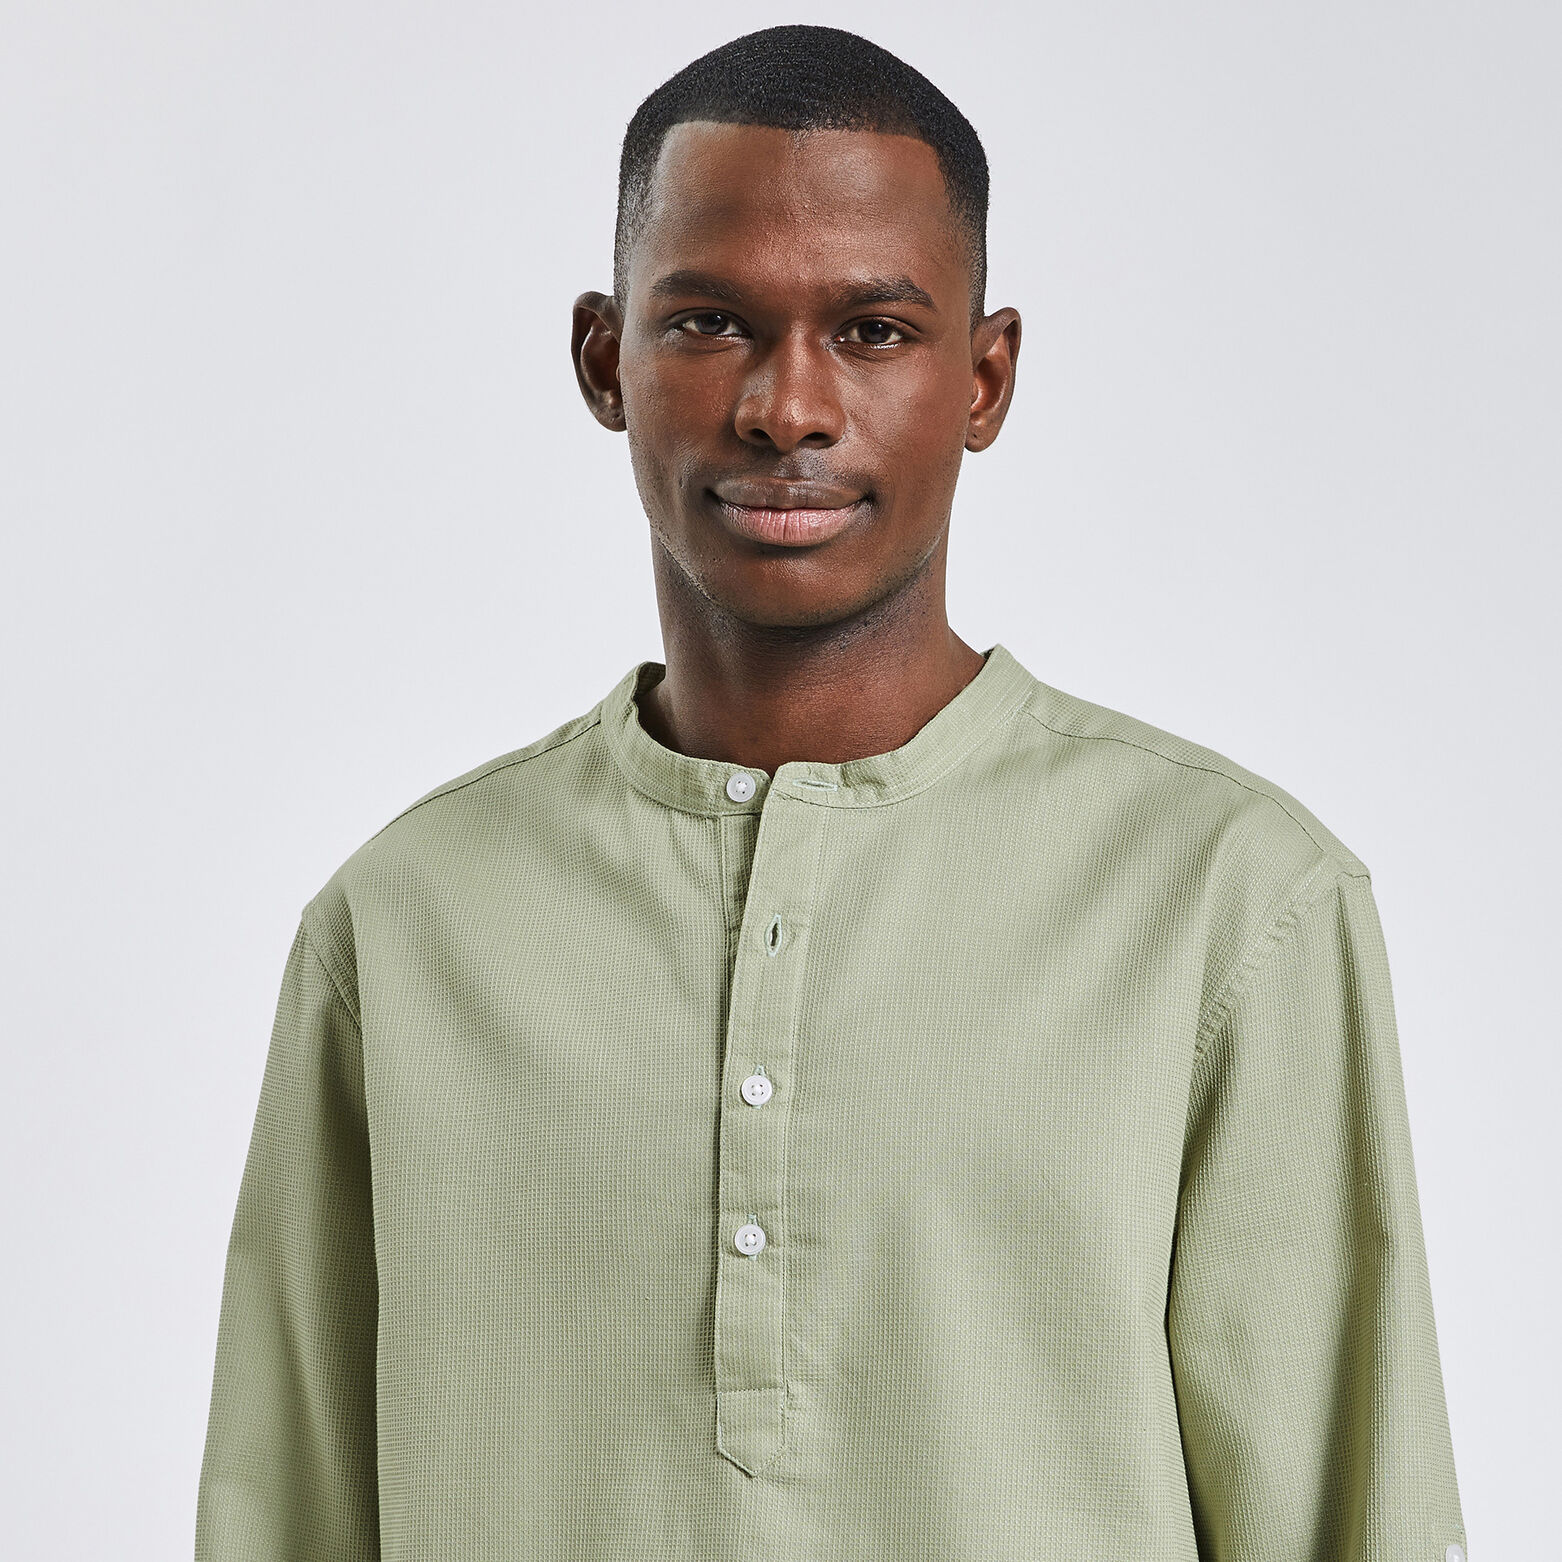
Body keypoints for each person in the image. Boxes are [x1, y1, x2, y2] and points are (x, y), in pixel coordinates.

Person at [194, 24, 1468, 1562]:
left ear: (982, 379)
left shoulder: (1228, 901)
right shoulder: (404, 926)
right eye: (710, 321)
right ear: (603, 361)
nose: (786, 407)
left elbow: (1352, 1523)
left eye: (870, 330)